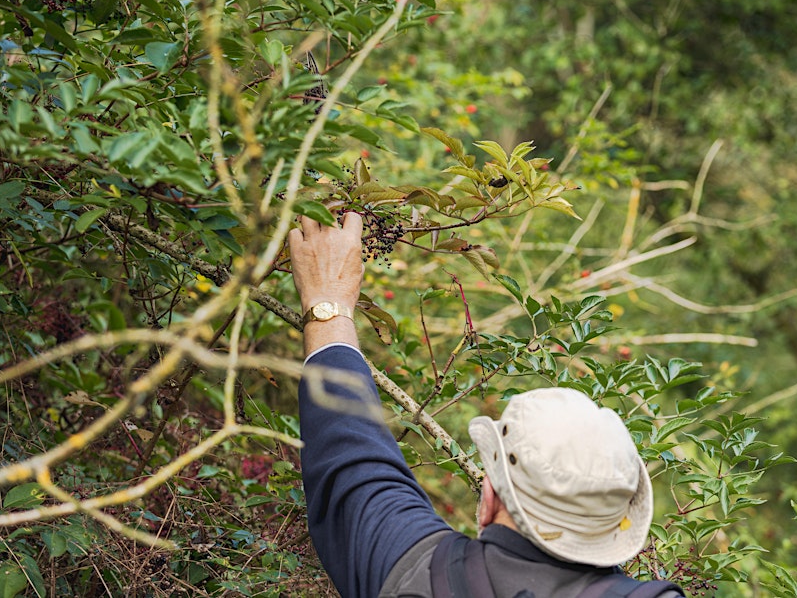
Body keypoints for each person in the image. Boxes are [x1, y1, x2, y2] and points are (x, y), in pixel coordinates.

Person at [289, 213, 681, 598]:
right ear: (621, 530)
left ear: (489, 497)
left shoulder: (413, 571)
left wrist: (328, 302)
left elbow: (351, 457)